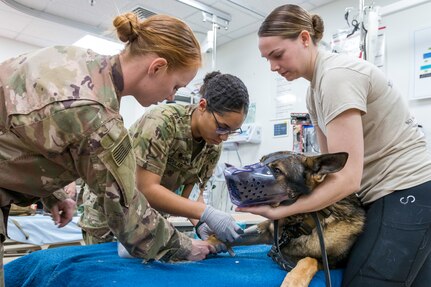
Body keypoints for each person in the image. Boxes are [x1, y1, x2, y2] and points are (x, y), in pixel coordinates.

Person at [0, 11, 218, 286]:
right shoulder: (97, 119)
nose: (172, 97)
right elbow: (131, 222)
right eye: (176, 85)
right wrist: (188, 247)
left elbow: (21, 134)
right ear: (157, 67)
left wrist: (52, 194)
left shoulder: (73, 59)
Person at [237, 4, 431, 287]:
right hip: (381, 193)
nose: (273, 67)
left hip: (406, 187)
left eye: (277, 55)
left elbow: (347, 178)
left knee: (367, 280)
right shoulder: (313, 92)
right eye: (267, 59)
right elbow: (329, 169)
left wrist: (279, 212)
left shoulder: (337, 77)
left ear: (305, 39)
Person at [80, 71, 249, 248]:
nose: (224, 137)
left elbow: (192, 192)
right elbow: (145, 188)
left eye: (232, 131)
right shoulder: (162, 122)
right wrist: (206, 213)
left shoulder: (212, 145)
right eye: (222, 127)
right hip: (110, 211)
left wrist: (200, 222)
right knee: (105, 270)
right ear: (202, 106)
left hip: (144, 220)